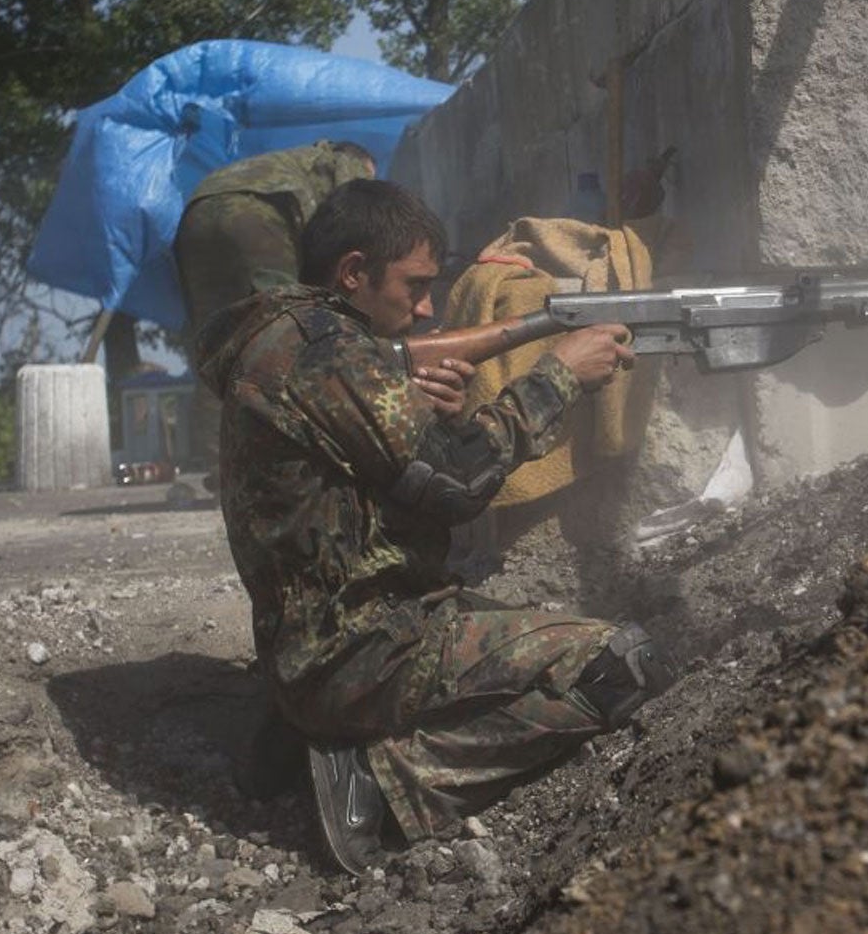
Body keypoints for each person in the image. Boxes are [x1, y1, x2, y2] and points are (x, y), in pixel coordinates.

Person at [192, 178, 675, 872]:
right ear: (353, 272)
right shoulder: (329, 355)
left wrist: (441, 418)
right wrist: (558, 378)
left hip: (322, 644)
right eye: (414, 287)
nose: (425, 312)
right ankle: (384, 785)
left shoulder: (291, 343)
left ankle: (308, 740)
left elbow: (390, 483)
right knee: (619, 665)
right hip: (359, 650)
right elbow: (457, 485)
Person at [174, 139, 378, 478]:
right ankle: (270, 453)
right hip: (255, 218)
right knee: (281, 328)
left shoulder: (288, 160)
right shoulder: (345, 160)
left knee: (216, 340)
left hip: (196, 214)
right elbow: (357, 217)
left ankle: (214, 462)